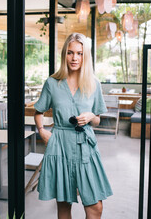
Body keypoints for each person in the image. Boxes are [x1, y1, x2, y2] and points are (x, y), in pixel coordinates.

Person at [34, 33, 113, 219]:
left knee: (95, 207)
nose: (74, 58)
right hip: (60, 144)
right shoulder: (52, 83)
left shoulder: (93, 83)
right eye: (70, 53)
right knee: (63, 205)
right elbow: (38, 112)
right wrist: (42, 132)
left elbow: (98, 119)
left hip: (85, 146)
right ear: (64, 55)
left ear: (85, 56)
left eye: (79, 53)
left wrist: (91, 115)